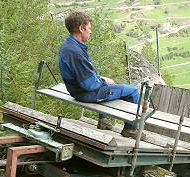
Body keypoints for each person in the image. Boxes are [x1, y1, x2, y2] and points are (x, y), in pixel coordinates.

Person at [58, 11, 143, 139]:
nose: (90, 32)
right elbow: (89, 84)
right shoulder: (75, 53)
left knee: (109, 86)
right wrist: (104, 81)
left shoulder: (67, 45)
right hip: (83, 93)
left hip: (75, 89)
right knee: (132, 92)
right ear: (81, 28)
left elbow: (86, 75)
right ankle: (130, 129)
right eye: (89, 28)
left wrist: (102, 79)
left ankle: (104, 120)